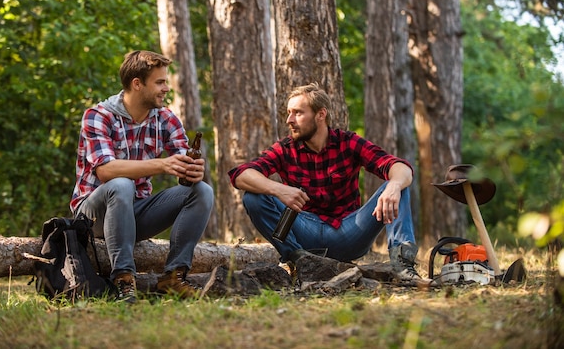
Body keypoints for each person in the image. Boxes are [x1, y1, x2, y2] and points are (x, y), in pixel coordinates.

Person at [228, 82, 423, 282]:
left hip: (349, 232)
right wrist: (279, 190)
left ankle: (403, 267)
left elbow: (400, 167)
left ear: (320, 115)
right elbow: (241, 175)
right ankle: (299, 261)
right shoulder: (285, 149)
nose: (289, 120)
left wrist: (394, 185)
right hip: (305, 233)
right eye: (288, 113)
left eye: (297, 113)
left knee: (398, 186)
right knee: (254, 197)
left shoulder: (348, 142)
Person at [70, 50, 214, 302]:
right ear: (137, 84)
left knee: (202, 191)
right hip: (91, 216)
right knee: (121, 184)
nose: (166, 88)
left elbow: (182, 161)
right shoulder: (98, 116)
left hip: (134, 214)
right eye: (160, 82)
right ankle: (123, 280)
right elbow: (106, 171)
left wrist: (191, 170)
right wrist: (162, 165)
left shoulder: (165, 119)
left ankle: (173, 277)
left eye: (165, 82)